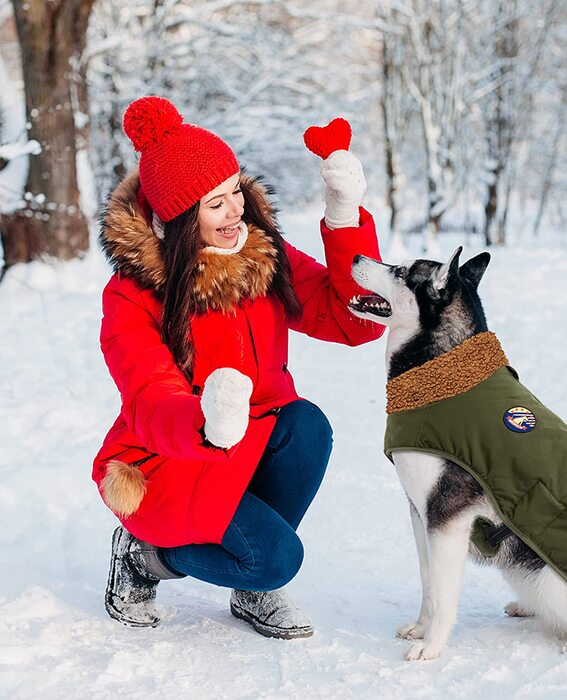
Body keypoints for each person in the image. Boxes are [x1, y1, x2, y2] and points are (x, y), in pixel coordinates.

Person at [93, 96, 383, 639]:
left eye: (235, 194)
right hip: (171, 455)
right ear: (176, 219)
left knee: (306, 424)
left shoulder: (262, 253)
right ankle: (145, 556)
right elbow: (146, 390)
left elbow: (355, 322)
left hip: (254, 439)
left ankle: (251, 586)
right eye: (214, 204)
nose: (235, 214)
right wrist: (205, 421)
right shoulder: (134, 293)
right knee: (275, 560)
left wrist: (344, 220)